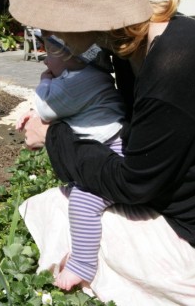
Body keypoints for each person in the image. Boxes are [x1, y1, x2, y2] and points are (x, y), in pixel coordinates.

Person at [8, 0, 195, 304]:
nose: (43, 30)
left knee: (60, 214)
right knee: (59, 206)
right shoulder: (139, 44)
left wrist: (52, 138)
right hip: (187, 203)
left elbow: (133, 184)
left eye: (48, 18)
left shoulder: (175, 66)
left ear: (84, 13)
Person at [16, 36, 125, 290]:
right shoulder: (79, 76)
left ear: (72, 57)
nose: (44, 58)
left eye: (50, 53)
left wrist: (44, 82)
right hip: (102, 147)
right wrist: (32, 115)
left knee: (82, 201)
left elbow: (46, 107)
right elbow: (60, 108)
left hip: (115, 154)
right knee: (77, 188)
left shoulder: (86, 79)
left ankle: (82, 265)